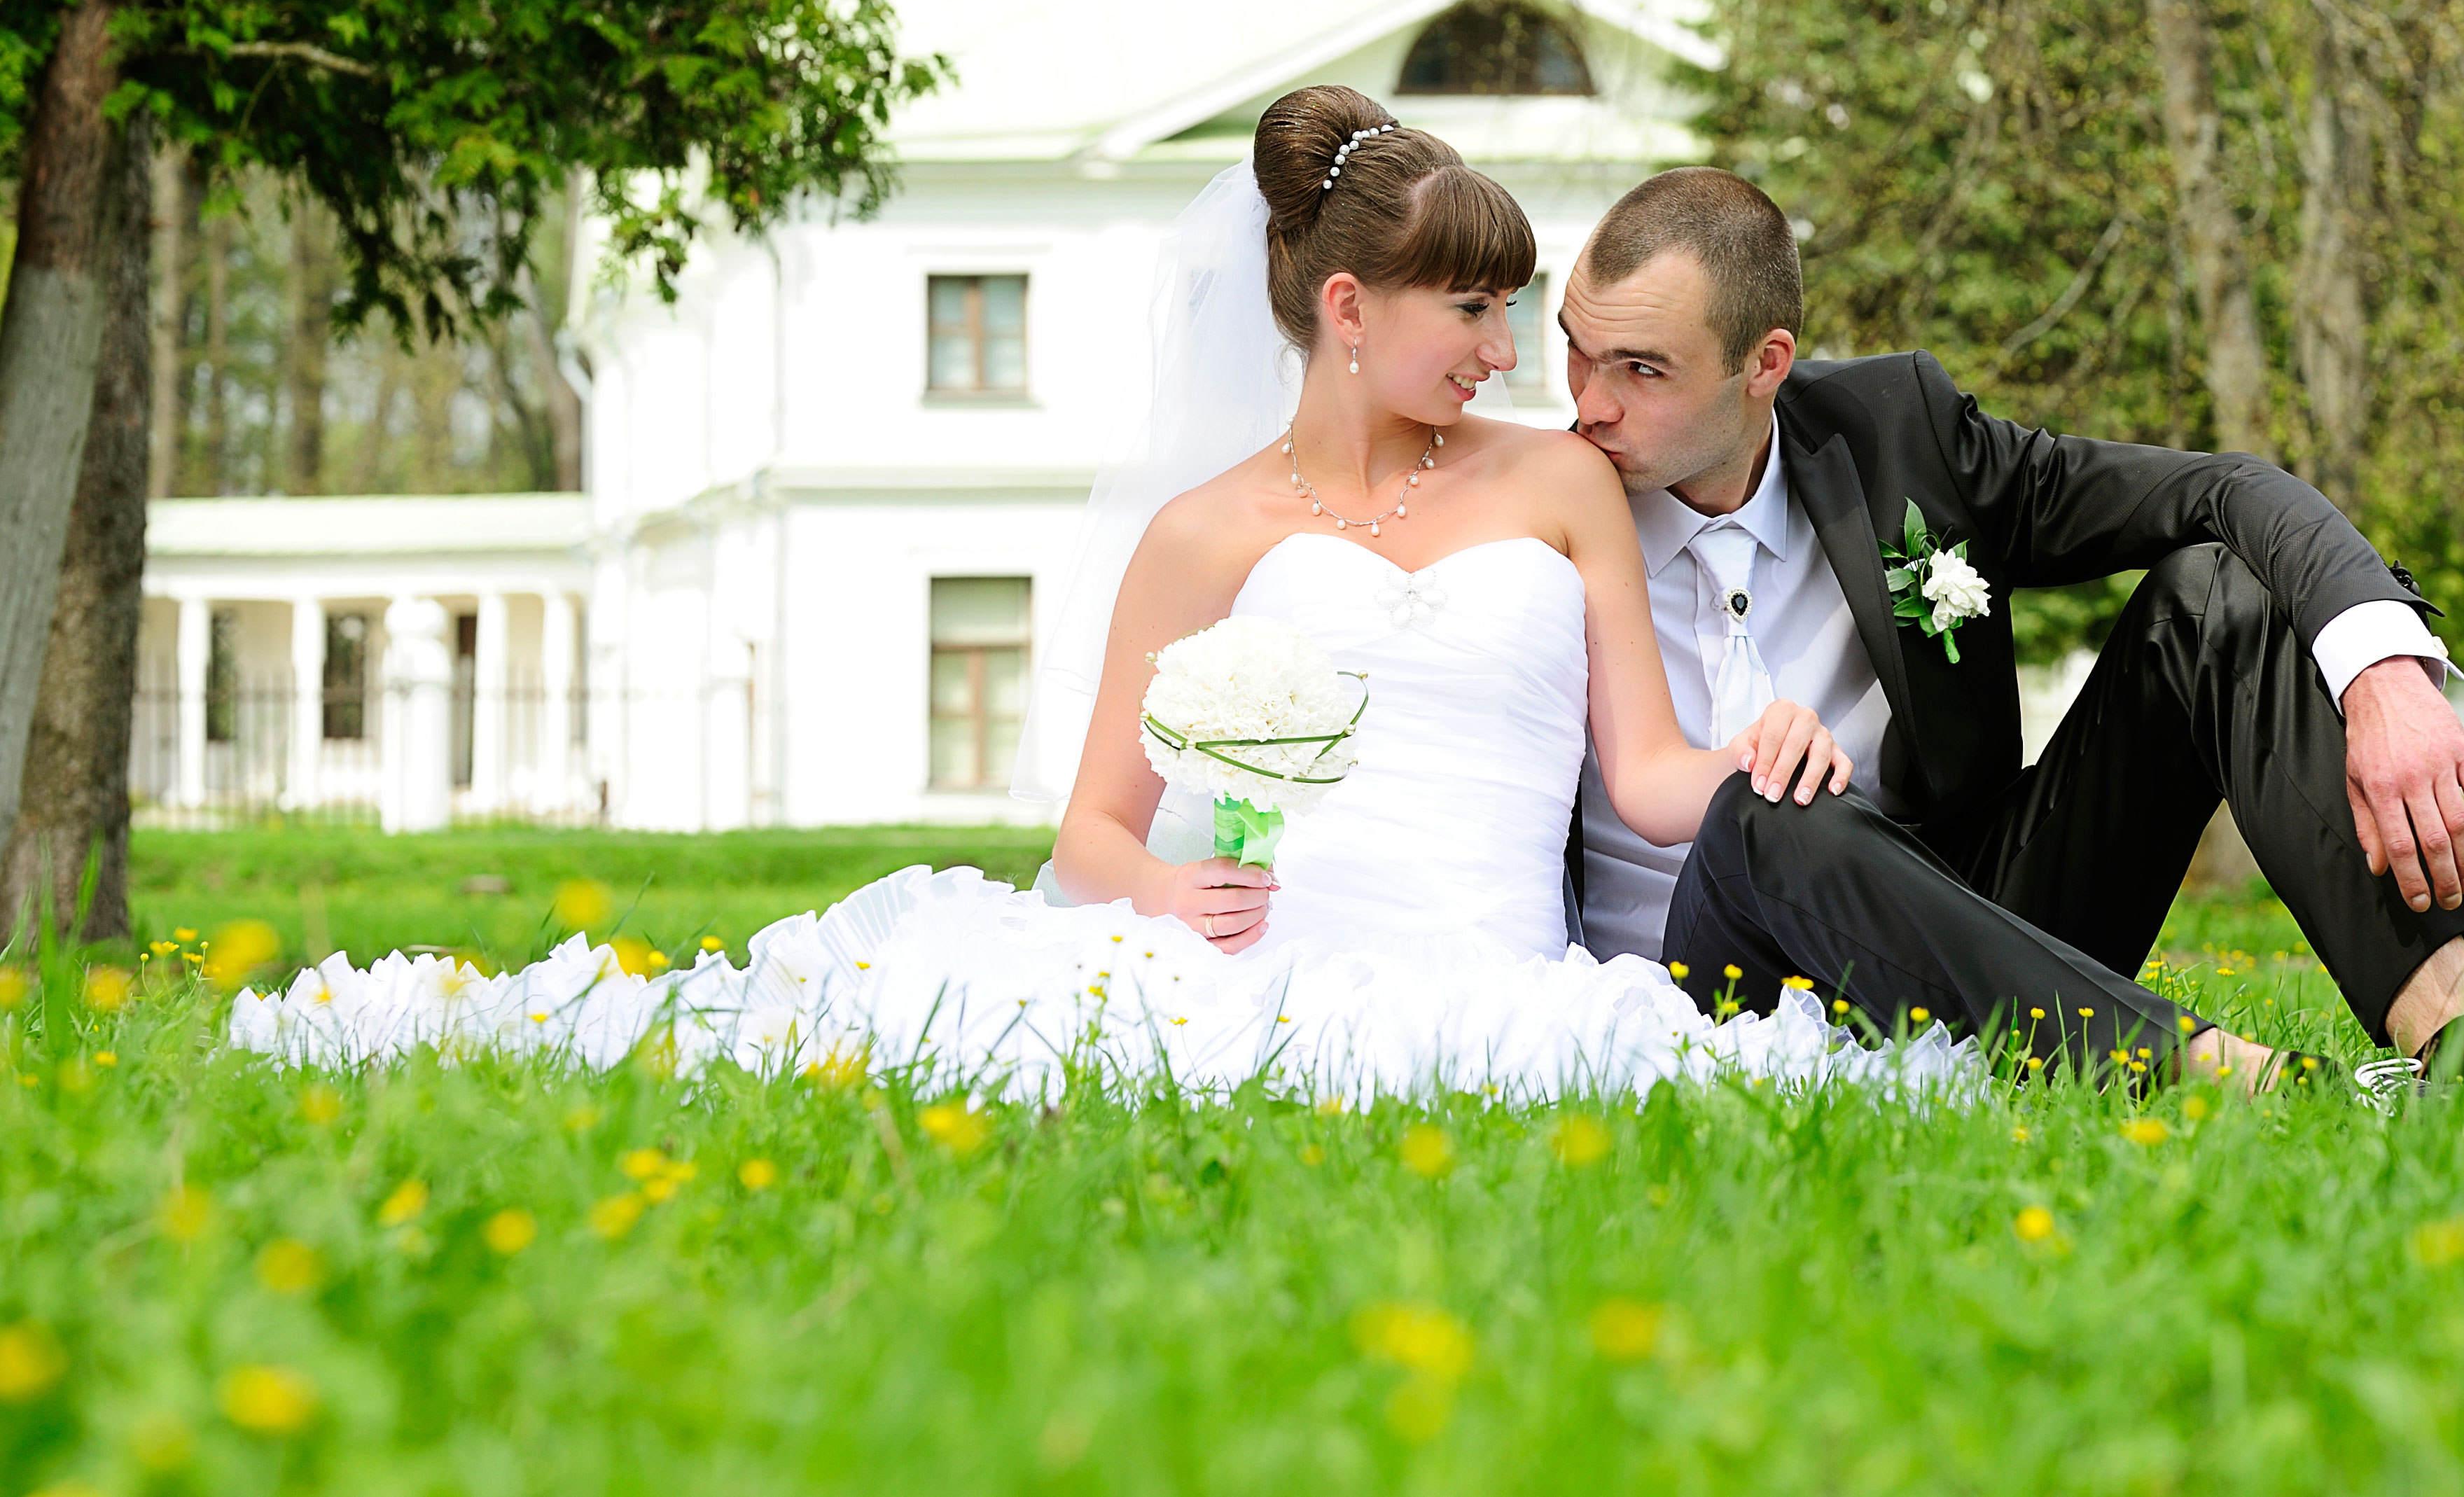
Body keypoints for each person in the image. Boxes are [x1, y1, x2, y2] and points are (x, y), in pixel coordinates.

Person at [232, 89, 1945, 1102]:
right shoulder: (1205, 537)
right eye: (1475, 311)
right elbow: (1090, 834)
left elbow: (1642, 769)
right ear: (1349, 308)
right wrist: (1163, 883)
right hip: (1269, 956)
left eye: (1514, 310)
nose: (1516, 354)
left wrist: (1757, 754)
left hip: (1491, 961)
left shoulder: (1559, 480)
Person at [1560, 165, 2464, 1104]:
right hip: (1703, 984)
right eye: (1576, 350)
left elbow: (2221, 490)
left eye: (1641, 370)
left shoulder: (1899, 437)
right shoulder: (1536, 508)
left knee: (2214, 596)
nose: (1589, 405)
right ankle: (2246, 1085)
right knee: (1770, 805)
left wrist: (2383, 673)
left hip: (1976, 936)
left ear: (1765, 364)